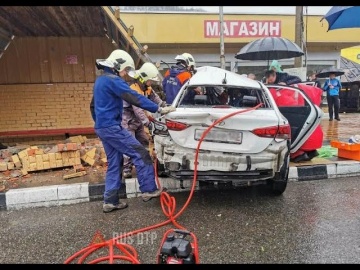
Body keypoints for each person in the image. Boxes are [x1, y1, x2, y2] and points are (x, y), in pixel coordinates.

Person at [92, 49, 176, 213]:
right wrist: (158, 109)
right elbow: (134, 97)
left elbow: (92, 106)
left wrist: (100, 124)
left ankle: (110, 201)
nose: (126, 74)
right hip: (112, 127)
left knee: (115, 163)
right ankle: (148, 189)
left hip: (103, 127)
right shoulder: (113, 80)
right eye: (125, 70)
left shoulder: (100, 80)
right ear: (118, 66)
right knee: (140, 152)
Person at [122, 62, 166, 179]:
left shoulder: (146, 87)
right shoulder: (133, 89)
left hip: (137, 121)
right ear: (143, 79)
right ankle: (127, 169)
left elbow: (155, 98)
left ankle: (145, 165)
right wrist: (148, 123)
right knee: (129, 145)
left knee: (144, 142)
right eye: (149, 80)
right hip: (128, 121)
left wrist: (164, 106)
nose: (150, 83)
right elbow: (138, 110)